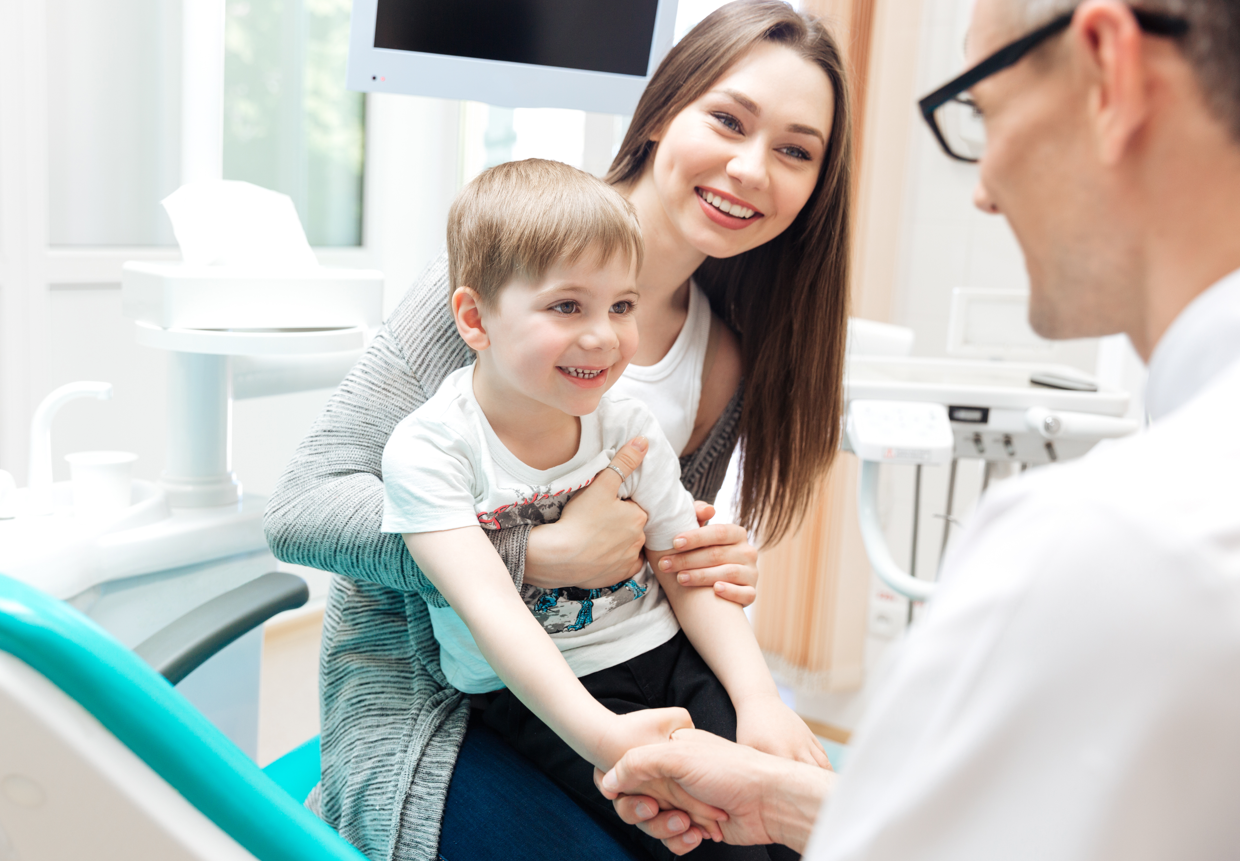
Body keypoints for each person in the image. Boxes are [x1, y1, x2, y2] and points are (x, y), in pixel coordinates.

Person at [597, 0, 1240, 857]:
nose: (980, 190)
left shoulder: (1105, 543)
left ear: (1108, 68)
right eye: (729, 120)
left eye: (982, 111)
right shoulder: (513, 261)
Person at [263, 3, 854, 860]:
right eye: (728, 120)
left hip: (626, 670)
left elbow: (650, 555)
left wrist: (702, 563)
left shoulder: (724, 354)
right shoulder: (511, 270)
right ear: (660, 113)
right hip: (439, 702)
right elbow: (303, 506)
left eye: (796, 151)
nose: (752, 168)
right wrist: (535, 554)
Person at [384, 158, 827, 860]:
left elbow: (687, 568)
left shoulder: (627, 423)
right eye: (568, 306)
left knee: (798, 832)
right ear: (475, 318)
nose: (604, 336)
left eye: (621, 306)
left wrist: (759, 700)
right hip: (544, 691)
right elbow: (492, 612)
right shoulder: (432, 450)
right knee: (717, 847)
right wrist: (601, 737)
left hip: (669, 652)